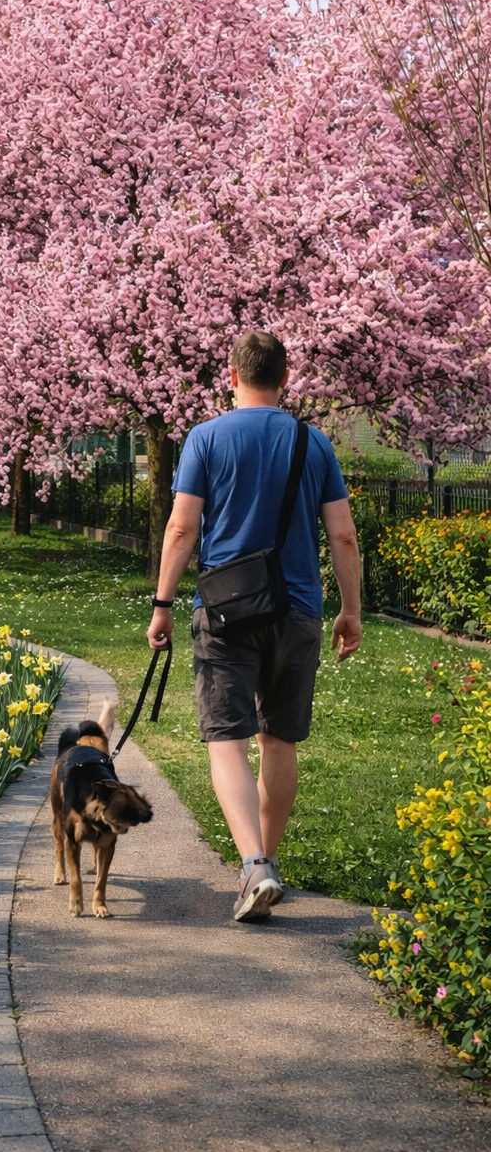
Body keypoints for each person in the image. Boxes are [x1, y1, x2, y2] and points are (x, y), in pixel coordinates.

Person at [145, 331, 362, 921]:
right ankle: (265, 864)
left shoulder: (205, 438)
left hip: (227, 613)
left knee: (226, 739)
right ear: (285, 379)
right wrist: (350, 610)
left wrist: (162, 602)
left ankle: (254, 868)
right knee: (279, 739)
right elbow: (342, 534)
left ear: (231, 375)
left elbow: (182, 528)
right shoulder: (313, 442)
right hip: (297, 610)